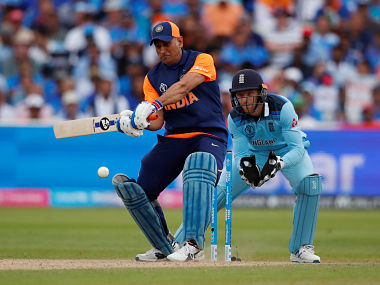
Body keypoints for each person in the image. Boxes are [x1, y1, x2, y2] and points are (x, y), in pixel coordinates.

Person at [174, 69, 322, 263]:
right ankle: (180, 243)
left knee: (310, 185)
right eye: (240, 95)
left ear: (261, 93)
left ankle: (301, 249)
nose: (245, 100)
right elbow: (242, 153)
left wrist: (279, 163)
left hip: (287, 152)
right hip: (256, 154)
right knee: (219, 192)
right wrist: (246, 169)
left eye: (249, 94)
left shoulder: (283, 107)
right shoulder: (234, 117)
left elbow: (297, 149)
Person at [113, 21, 228, 262]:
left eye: (167, 43)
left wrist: (152, 105)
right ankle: (163, 245)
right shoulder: (152, 77)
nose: (163, 50)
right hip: (176, 137)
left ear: (180, 41)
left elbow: (184, 87)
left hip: (209, 134)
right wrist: (136, 122)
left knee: (199, 165)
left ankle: (193, 244)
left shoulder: (202, 60)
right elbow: (157, 121)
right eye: (157, 46)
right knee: (140, 187)